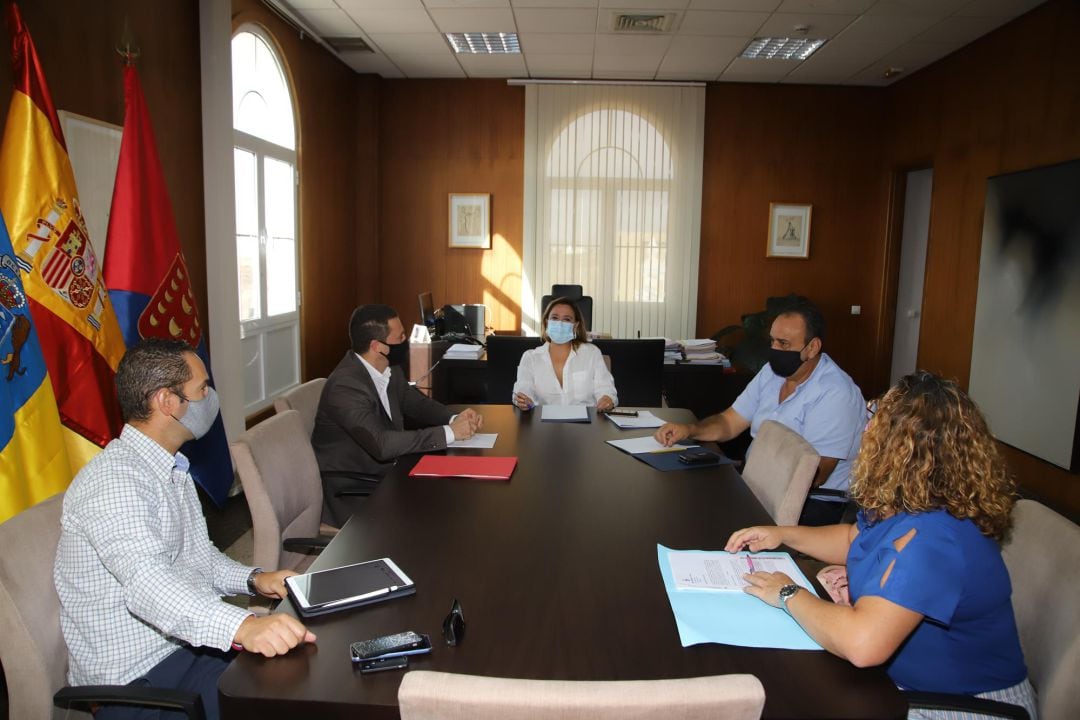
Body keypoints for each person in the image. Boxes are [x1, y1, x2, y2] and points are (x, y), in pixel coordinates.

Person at [725, 372, 1036, 719]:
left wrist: (789, 594)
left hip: (964, 706)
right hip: (898, 682)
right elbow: (851, 539)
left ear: (902, 445)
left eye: (875, 416)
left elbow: (863, 645)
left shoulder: (935, 536)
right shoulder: (912, 500)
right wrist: (783, 534)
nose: (866, 425)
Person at [54, 339, 315, 720]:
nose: (211, 397)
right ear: (167, 402)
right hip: (138, 681)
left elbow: (197, 559)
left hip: (184, 646)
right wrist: (242, 625)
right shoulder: (114, 482)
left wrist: (256, 579)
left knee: (301, 676)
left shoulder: (170, 466)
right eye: (202, 389)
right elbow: (148, 586)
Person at [655, 296, 864, 525]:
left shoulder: (836, 393)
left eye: (783, 344)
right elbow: (729, 422)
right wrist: (690, 429)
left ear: (812, 347)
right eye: (772, 341)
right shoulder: (771, 373)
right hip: (756, 486)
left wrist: (743, 490)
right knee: (679, 502)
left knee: (703, 520)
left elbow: (816, 474)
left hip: (812, 504)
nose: (774, 350)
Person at [312, 304, 483, 525]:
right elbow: (382, 444)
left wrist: (453, 418)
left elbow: (417, 404)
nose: (407, 341)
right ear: (377, 347)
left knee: (461, 493)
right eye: (401, 337)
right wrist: (449, 433)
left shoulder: (389, 369)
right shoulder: (346, 387)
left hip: (391, 472)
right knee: (445, 512)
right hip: (358, 490)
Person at [512, 296, 617, 411]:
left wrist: (607, 399)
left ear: (575, 326)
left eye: (567, 319)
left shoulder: (591, 353)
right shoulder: (530, 357)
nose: (560, 323)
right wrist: (524, 400)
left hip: (585, 425)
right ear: (547, 322)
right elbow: (523, 390)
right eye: (555, 318)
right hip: (543, 425)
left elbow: (606, 389)